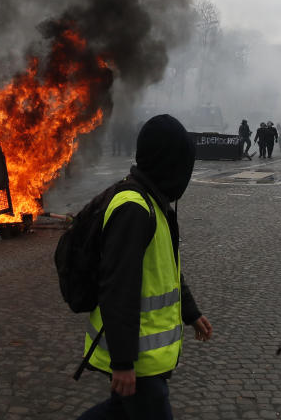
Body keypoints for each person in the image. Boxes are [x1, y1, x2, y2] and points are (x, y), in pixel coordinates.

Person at [77, 114, 212, 420]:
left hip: (146, 357)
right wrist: (123, 363)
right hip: (137, 358)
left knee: (119, 413)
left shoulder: (153, 202)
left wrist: (191, 313)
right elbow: (117, 289)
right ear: (168, 163)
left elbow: (166, 270)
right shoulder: (134, 209)